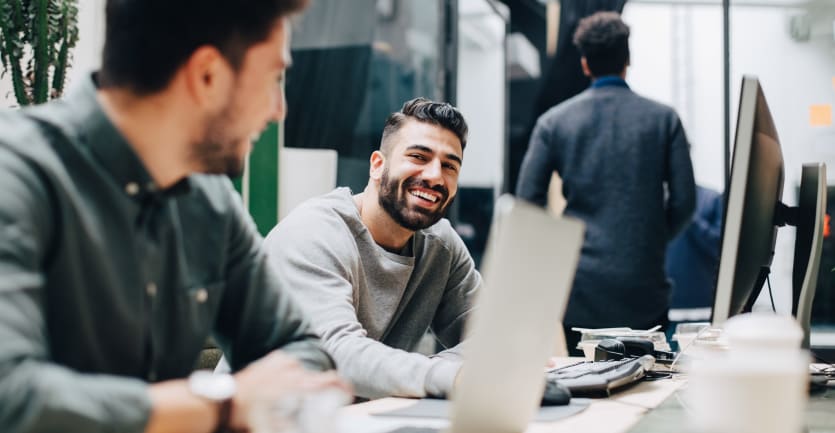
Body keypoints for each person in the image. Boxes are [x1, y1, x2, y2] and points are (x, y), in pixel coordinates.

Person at [0, 1, 350, 432]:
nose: (279, 110)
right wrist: (220, 403)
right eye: (274, 78)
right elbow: (11, 397)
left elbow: (301, 350)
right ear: (207, 77)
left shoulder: (211, 201)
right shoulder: (16, 175)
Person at [262, 98, 480, 399]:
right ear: (377, 165)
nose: (434, 176)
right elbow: (337, 356)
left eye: (449, 166)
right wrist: (450, 374)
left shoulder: (441, 245)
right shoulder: (313, 234)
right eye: (418, 156)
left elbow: (490, 339)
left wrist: (460, 370)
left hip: (364, 419)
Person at [515, 11, 696, 354]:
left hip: (579, 288)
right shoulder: (664, 120)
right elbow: (685, 202)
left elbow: (528, 203)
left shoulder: (554, 122)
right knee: (645, 385)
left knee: (586, 384)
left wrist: (562, 249)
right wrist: (650, 238)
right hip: (644, 288)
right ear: (628, 59)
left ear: (585, 64)